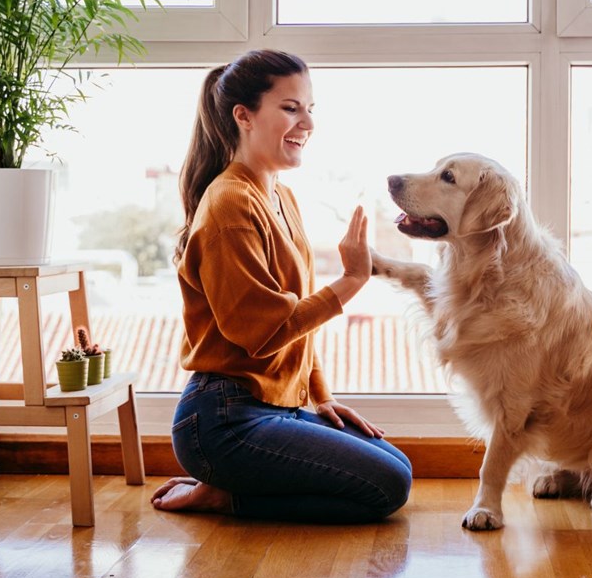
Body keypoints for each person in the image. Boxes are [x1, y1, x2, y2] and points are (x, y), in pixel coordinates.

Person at [151, 49, 413, 522]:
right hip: (223, 419)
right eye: (291, 108)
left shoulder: (279, 195)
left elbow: (296, 326)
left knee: (398, 465)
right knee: (387, 487)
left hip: (275, 406)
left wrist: (321, 395)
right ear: (244, 116)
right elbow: (263, 333)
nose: (307, 123)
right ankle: (224, 494)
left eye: (310, 109)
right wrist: (352, 280)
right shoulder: (229, 205)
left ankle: (230, 486)